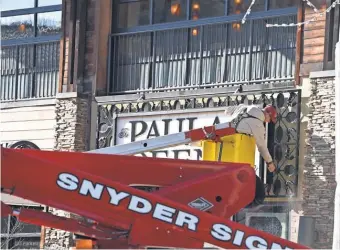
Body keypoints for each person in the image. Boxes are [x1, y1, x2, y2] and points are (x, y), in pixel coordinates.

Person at [224, 104, 277, 173]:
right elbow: (261, 147)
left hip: (225, 139)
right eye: (270, 119)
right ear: (267, 114)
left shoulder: (244, 107)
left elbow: (227, 111)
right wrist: (270, 162)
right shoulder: (258, 125)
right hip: (237, 148)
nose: (269, 121)